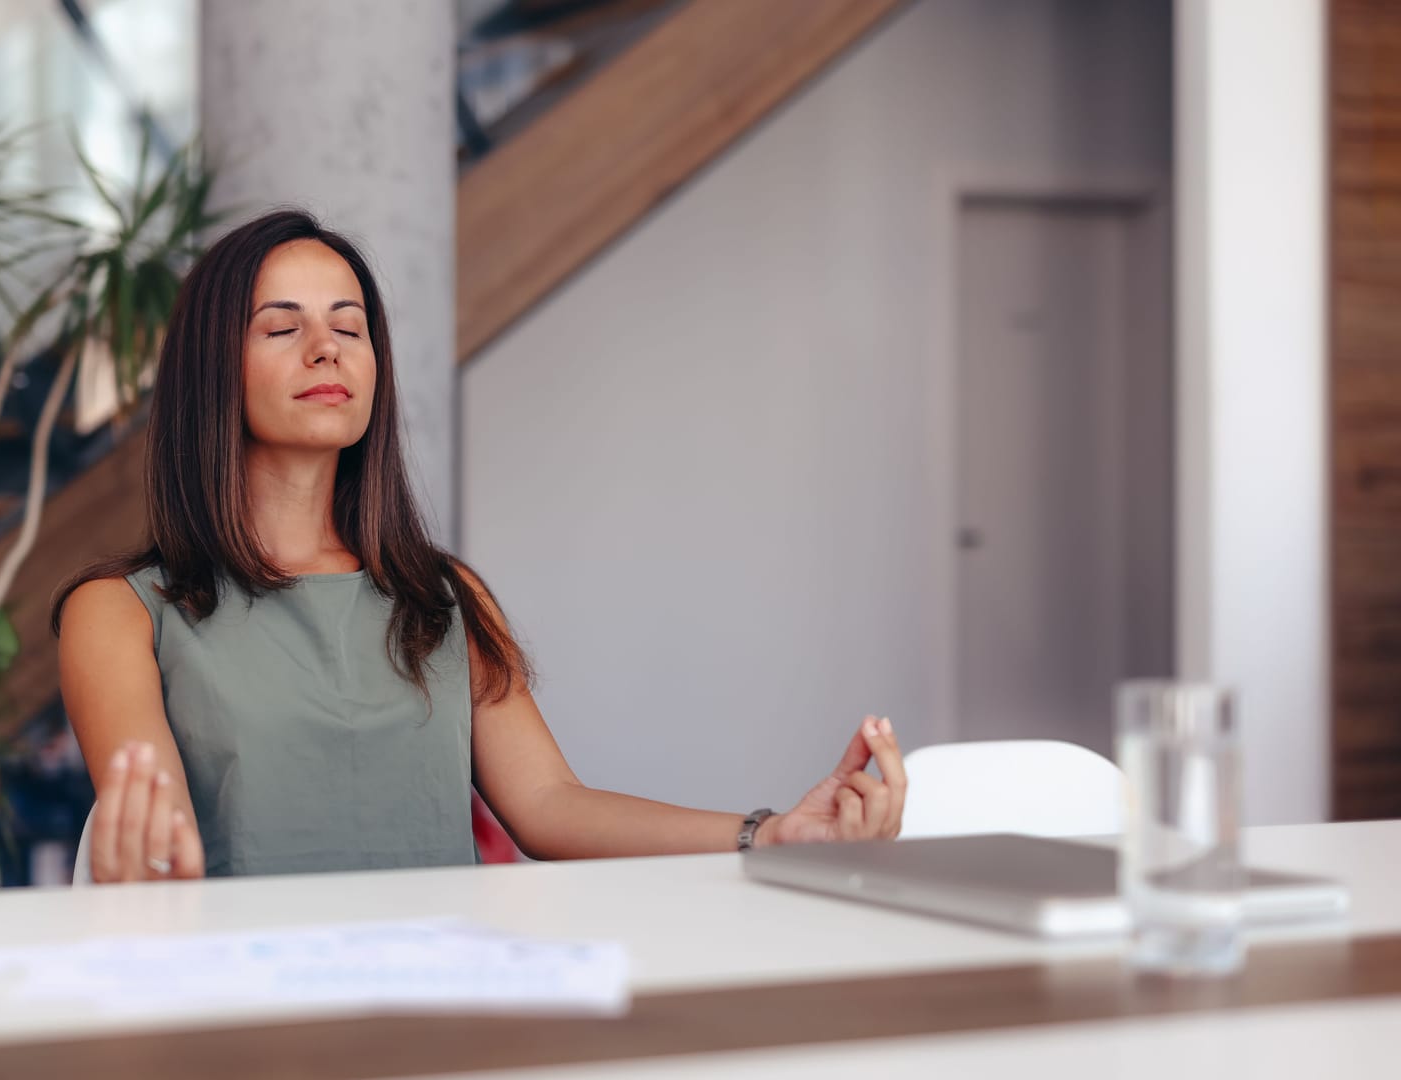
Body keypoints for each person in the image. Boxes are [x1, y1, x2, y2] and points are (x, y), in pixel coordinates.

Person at [54, 209, 907, 883]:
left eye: (350, 329)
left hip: (441, 998)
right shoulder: (121, 613)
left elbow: (549, 805)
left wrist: (768, 834)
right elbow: (155, 851)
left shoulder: (444, 595)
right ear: (214, 369)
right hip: (246, 1010)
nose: (326, 348)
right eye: (281, 329)